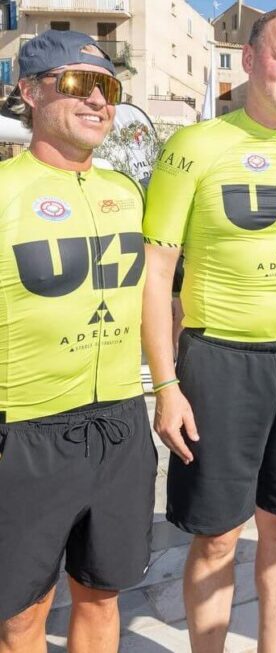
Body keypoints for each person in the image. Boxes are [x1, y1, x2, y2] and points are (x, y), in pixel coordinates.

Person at [141, 10, 276, 652]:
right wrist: (166, 384)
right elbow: (156, 273)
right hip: (219, 360)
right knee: (215, 535)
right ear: (249, 62)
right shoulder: (196, 147)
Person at [0, 31, 155, 653]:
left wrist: (167, 389)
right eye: (74, 83)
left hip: (119, 422)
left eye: (108, 87)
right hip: (27, 428)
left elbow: (151, 297)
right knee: (21, 616)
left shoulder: (125, 192)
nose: (96, 99)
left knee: (102, 595)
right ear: (30, 92)